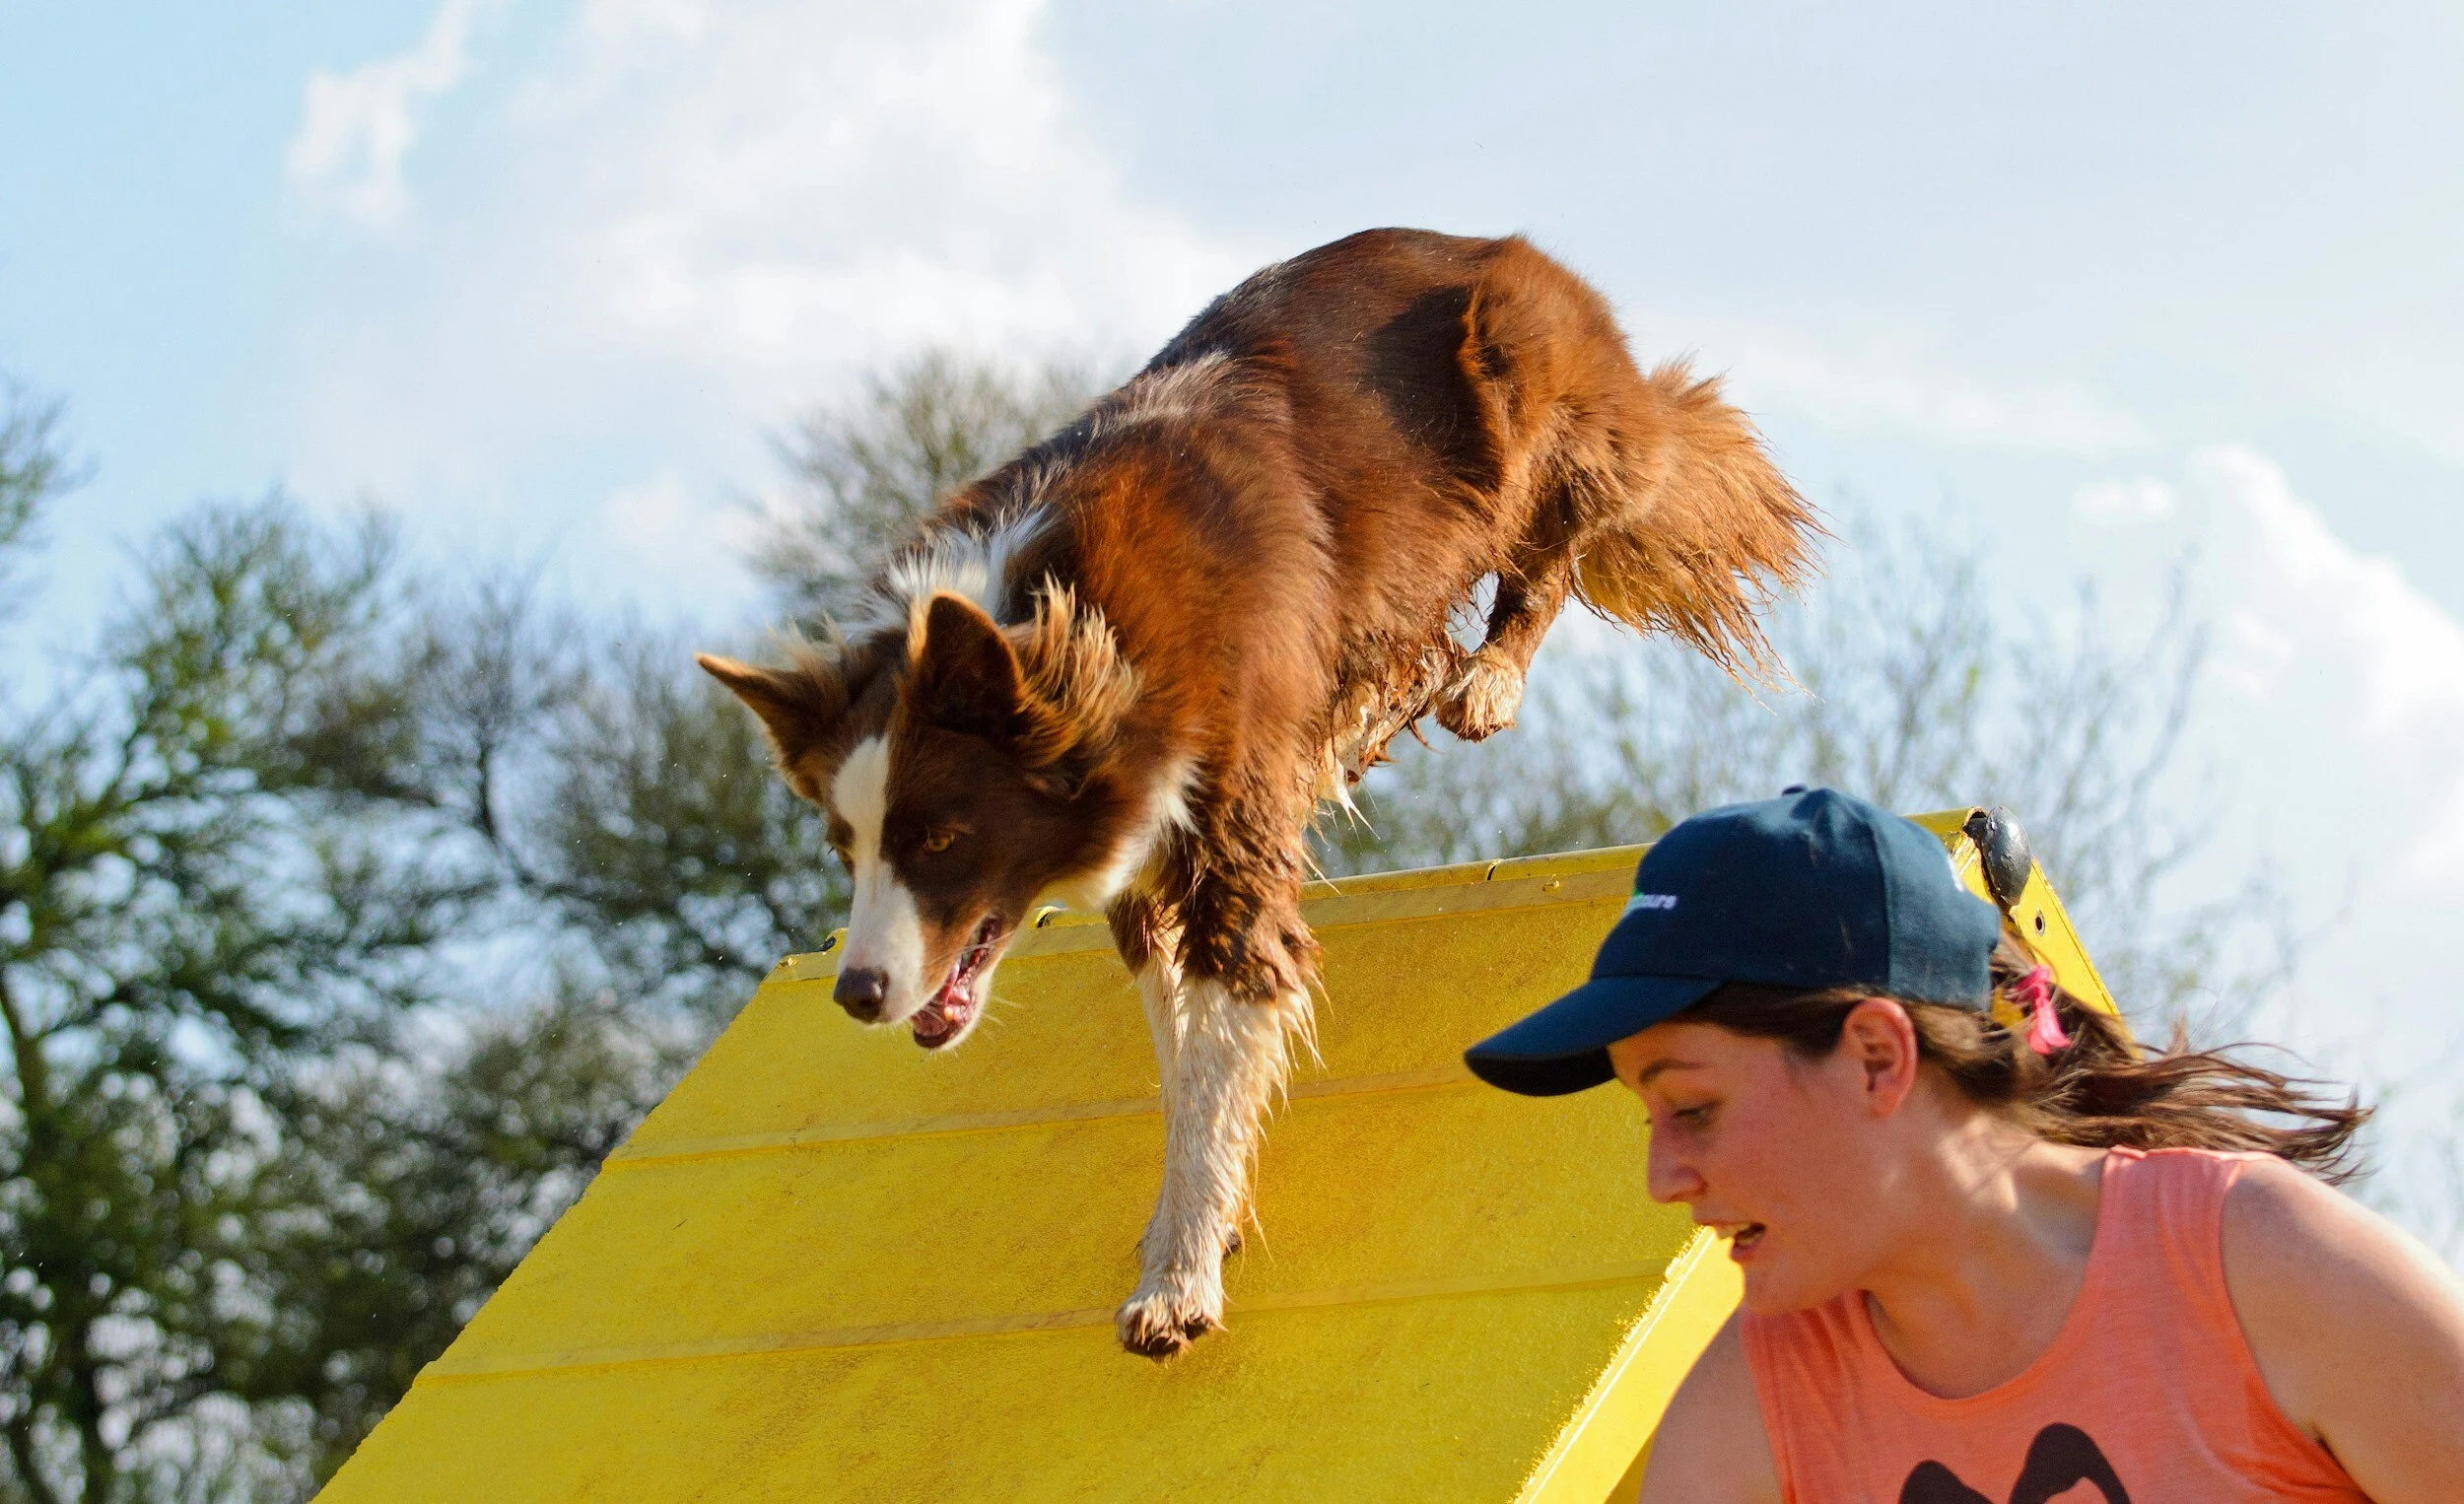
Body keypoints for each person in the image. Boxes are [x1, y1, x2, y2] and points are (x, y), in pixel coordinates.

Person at [1464, 788, 2464, 1502]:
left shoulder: (2267, 1270)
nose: (1662, 1177)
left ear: (1873, 1056)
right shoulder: (1756, 1406)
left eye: (1695, 1108)